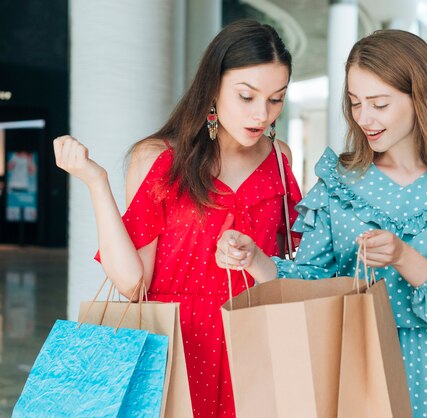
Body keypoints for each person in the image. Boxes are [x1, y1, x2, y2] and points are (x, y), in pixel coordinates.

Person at [215, 29, 427, 418]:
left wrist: (404, 256)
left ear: (420, 98)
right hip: (350, 365)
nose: (364, 119)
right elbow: (314, 281)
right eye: (356, 103)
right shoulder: (339, 181)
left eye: (378, 104)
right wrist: (257, 260)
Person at [53, 20, 302, 418]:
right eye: (247, 96)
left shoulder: (279, 158)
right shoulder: (159, 156)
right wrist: (96, 183)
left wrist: (254, 258)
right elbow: (134, 285)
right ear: (213, 89)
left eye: (276, 99)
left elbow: (296, 270)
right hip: (177, 345)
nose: (262, 114)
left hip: (258, 342)